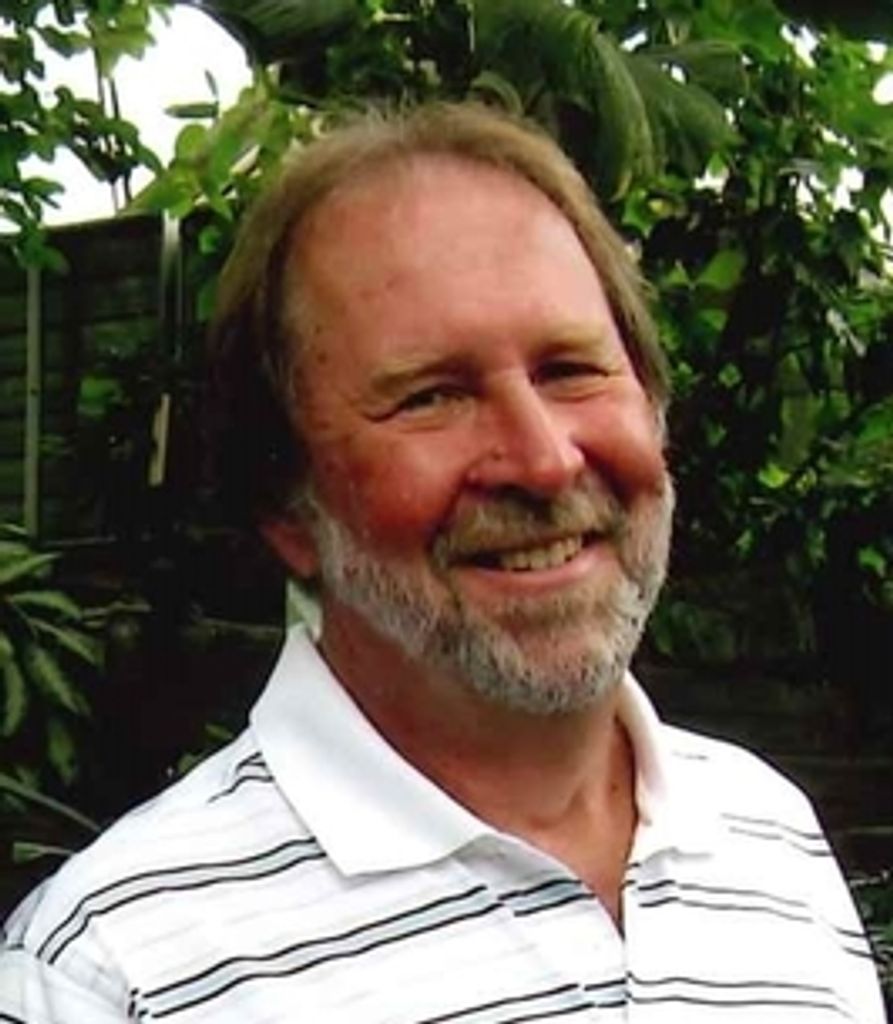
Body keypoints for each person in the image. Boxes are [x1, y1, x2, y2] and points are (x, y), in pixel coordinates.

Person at [0, 103, 884, 1023]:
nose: (544, 461)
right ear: (286, 506)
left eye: (570, 369)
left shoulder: (769, 839)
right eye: (431, 396)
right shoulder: (110, 971)